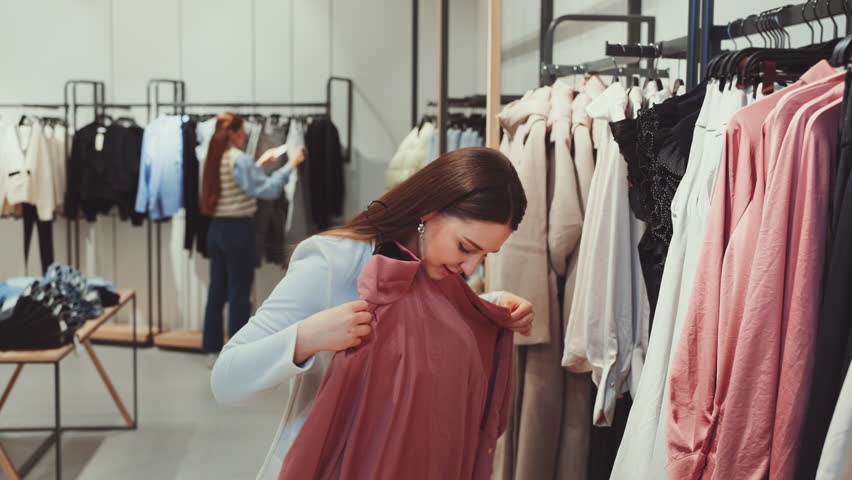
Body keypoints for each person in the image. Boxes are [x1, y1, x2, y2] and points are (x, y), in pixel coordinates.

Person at [210, 147, 535, 479]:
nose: (470, 267)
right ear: (429, 211)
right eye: (466, 247)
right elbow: (226, 380)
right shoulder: (336, 262)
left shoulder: (440, 273)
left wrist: (487, 306)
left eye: (485, 255)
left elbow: (420, 327)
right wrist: (305, 338)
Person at [200, 112, 304, 357]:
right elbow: (268, 190)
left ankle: (211, 347)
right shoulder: (239, 158)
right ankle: (237, 351)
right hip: (238, 231)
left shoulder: (214, 157)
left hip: (216, 229)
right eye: (242, 132)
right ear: (234, 133)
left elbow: (239, 183)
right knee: (239, 291)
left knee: (217, 290)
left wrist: (259, 165)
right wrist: (290, 165)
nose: (245, 136)